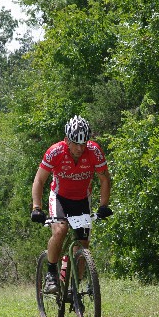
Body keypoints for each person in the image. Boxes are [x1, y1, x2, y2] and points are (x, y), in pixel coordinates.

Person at [31, 115, 113, 294]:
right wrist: (37, 208)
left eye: (83, 143)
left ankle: (74, 289)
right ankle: (51, 273)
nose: (79, 148)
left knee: (83, 244)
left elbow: (105, 179)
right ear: (66, 140)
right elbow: (39, 180)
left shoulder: (94, 152)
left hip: (82, 200)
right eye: (75, 143)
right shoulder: (55, 152)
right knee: (60, 230)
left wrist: (104, 206)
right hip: (60, 198)